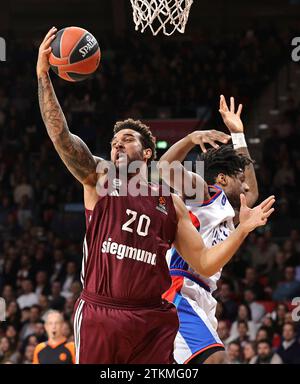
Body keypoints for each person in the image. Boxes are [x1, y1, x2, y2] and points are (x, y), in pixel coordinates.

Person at [37, 28, 275, 364]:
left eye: (128, 138)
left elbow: (206, 261)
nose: (118, 143)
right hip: (107, 310)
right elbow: (62, 138)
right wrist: (44, 78)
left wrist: (243, 228)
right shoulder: (101, 178)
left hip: (153, 314)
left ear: (146, 152)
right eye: (114, 140)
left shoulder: (171, 203)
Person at [159, 95, 262, 363]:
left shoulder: (233, 210)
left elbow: (251, 194)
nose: (247, 185)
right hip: (180, 288)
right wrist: (191, 138)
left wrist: (238, 134)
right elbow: (165, 167)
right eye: (241, 179)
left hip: (203, 294)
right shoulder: (205, 194)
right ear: (222, 179)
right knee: (216, 359)